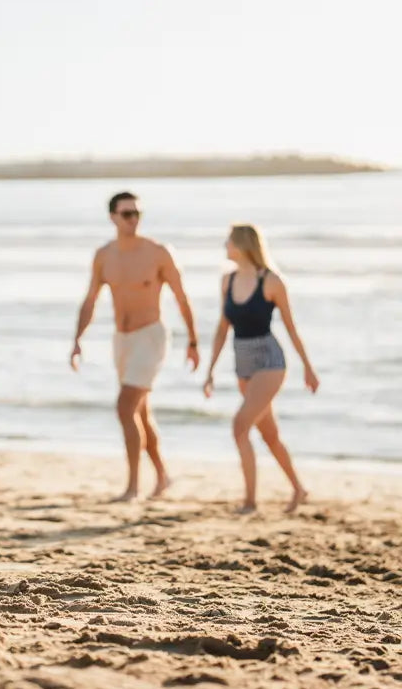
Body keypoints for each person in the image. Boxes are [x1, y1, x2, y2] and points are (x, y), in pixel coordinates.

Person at [71, 192, 199, 502]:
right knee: (140, 412)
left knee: (124, 406)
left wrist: (193, 341)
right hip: (122, 339)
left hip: (151, 336)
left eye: (137, 213)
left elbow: (182, 298)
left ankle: (132, 487)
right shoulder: (104, 255)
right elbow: (91, 299)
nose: (133, 219)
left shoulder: (157, 252)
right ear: (113, 217)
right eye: (127, 214)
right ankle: (163, 476)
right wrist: (77, 339)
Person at [203, 224, 319, 513]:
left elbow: (291, 329)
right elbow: (221, 329)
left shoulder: (271, 281)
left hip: (269, 361)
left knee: (239, 426)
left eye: (228, 242)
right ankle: (299, 488)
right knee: (269, 435)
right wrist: (210, 370)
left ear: (242, 245)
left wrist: (308, 367)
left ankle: (250, 502)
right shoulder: (226, 281)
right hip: (242, 361)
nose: (225, 247)